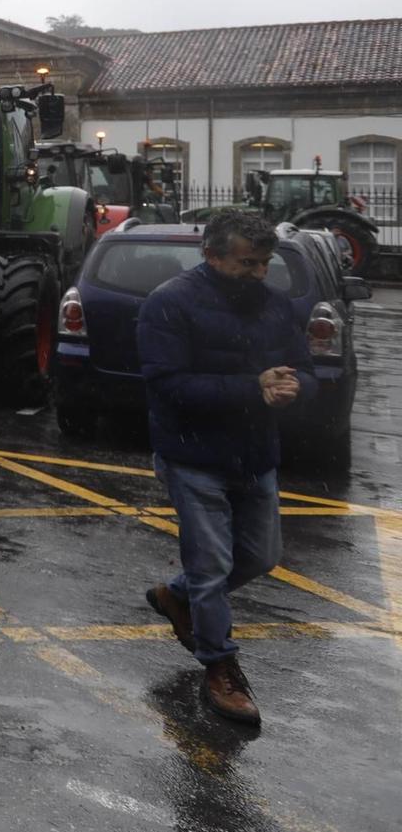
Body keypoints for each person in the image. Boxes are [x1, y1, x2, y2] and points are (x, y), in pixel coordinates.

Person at [137, 210, 313, 728]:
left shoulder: (274, 305)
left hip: (255, 455)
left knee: (261, 557)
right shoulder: (169, 303)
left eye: (265, 263)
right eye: (247, 263)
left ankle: (175, 595)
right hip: (194, 458)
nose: (259, 273)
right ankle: (220, 668)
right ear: (211, 256)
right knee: (211, 567)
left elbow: (304, 366)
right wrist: (251, 388)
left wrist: (297, 387)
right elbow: (167, 385)